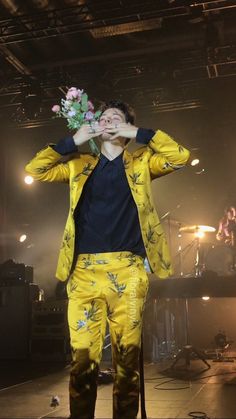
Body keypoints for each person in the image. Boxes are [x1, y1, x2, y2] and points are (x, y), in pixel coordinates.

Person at [25, 100, 190, 419]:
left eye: (116, 118)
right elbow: (34, 169)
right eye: (103, 118)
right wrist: (71, 141)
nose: (108, 121)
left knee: (127, 365)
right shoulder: (79, 163)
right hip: (83, 274)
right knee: (82, 362)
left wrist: (138, 133)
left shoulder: (140, 162)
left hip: (128, 273)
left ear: (126, 127)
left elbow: (179, 156)